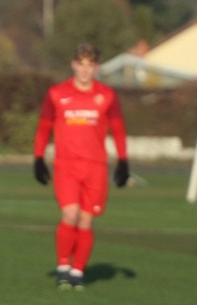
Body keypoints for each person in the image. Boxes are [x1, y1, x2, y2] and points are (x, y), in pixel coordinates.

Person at [33, 42, 130, 290]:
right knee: (70, 214)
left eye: (90, 65)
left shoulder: (107, 96)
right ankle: (63, 267)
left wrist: (123, 160)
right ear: (73, 65)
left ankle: (78, 272)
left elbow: (118, 129)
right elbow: (44, 126)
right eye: (81, 64)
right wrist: (38, 157)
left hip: (95, 167)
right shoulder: (57, 94)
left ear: (96, 67)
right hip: (66, 166)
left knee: (86, 221)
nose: (85, 70)